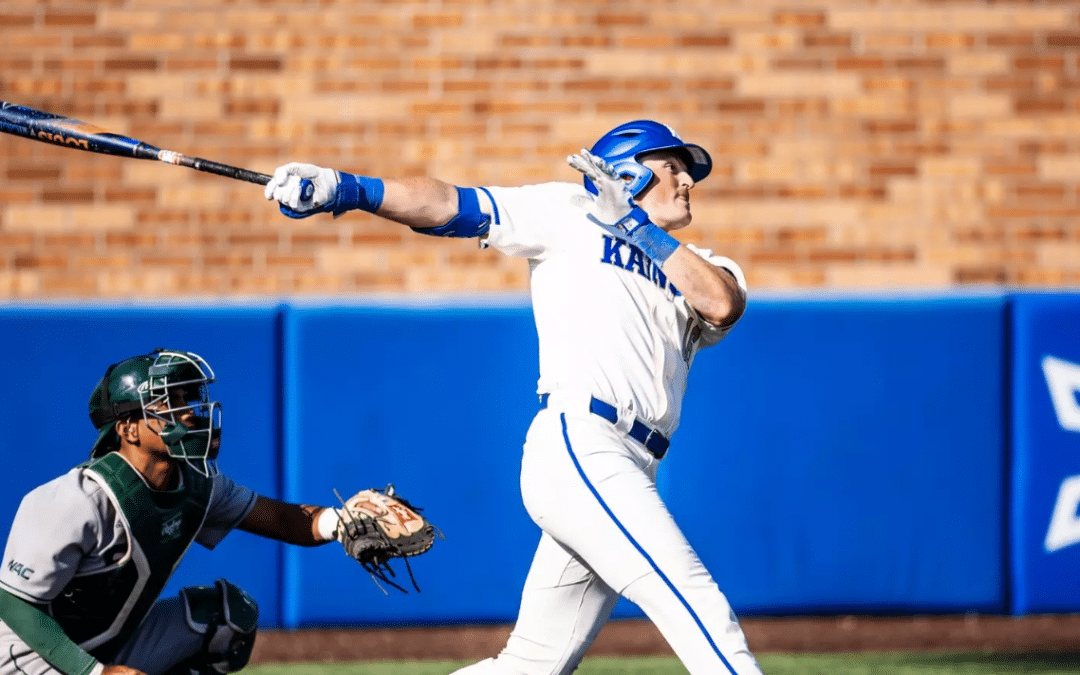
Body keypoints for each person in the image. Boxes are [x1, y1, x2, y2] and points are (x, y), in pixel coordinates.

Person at [263, 120, 759, 675]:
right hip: (583, 442)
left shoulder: (695, 262)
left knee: (530, 665)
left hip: (633, 461)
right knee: (692, 598)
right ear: (628, 169)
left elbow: (721, 303)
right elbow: (447, 203)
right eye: (673, 167)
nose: (689, 180)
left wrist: (636, 226)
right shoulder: (572, 211)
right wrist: (347, 188)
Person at [0, 349, 360, 675]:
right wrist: (95, 673)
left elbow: (283, 520)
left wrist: (343, 522)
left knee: (226, 617)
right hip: (29, 657)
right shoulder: (75, 500)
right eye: (169, 401)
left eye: (187, 398)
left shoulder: (200, 483)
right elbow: (13, 604)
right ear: (128, 428)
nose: (188, 412)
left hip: (108, 643)